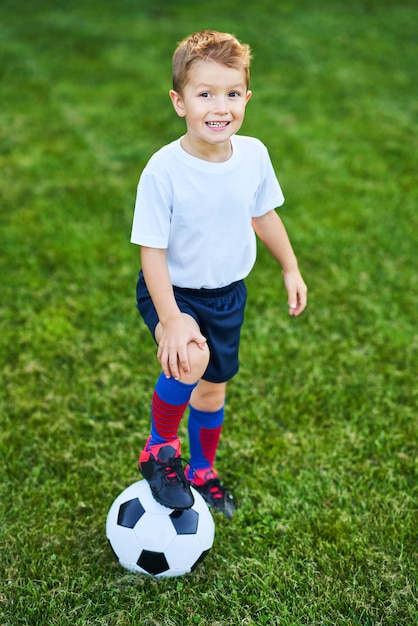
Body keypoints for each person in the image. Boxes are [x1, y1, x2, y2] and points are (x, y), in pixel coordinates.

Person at [130, 30, 307, 518]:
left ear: (247, 98)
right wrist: (170, 319)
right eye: (204, 93)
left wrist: (290, 267)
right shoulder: (163, 170)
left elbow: (263, 215)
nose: (219, 106)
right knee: (189, 357)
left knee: (212, 386)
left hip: (227, 293)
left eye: (231, 94)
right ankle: (160, 449)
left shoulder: (253, 155)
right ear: (179, 101)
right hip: (172, 287)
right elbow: (152, 251)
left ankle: (202, 469)